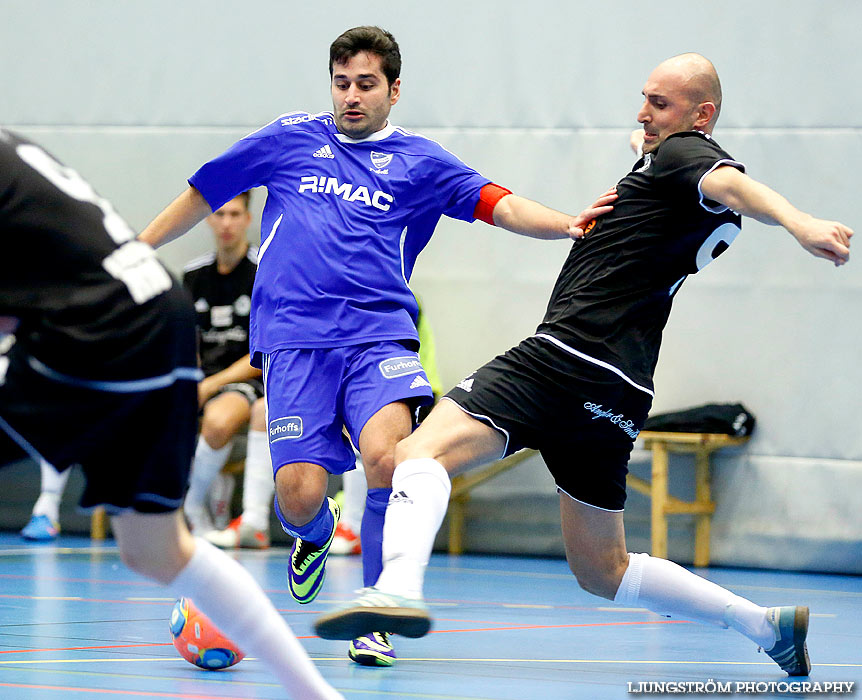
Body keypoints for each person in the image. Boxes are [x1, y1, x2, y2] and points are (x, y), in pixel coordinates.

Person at [314, 53, 853, 679]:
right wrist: (645, 148)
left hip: (562, 357)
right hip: (619, 388)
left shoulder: (689, 159)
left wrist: (799, 221)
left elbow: (732, 182)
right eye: (644, 98)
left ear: (702, 116)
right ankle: (766, 627)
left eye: (659, 104)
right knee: (604, 570)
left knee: (415, 457)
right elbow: (685, 169)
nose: (642, 114)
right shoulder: (670, 172)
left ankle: (397, 590)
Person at [138, 25, 611, 668]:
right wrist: (138, 249)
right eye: (341, 84)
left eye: (365, 85)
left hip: (377, 336)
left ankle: (378, 607)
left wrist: (564, 223)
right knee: (298, 495)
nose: (351, 97)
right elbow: (204, 191)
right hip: (296, 343)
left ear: (393, 89)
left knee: (388, 458)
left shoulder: (421, 161)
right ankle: (314, 532)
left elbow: (497, 203)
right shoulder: (289, 138)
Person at [0, 129, 342, 699]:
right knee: (155, 552)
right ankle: (318, 695)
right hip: (158, 319)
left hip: (98, 330)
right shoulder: (14, 152)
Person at [180, 192, 274, 548]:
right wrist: (193, 381)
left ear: (247, 220)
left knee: (219, 420)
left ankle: (193, 509)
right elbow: (187, 342)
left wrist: (210, 385)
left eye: (235, 214)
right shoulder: (193, 276)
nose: (226, 223)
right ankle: (174, 510)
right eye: (219, 214)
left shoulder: (262, 271)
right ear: (208, 219)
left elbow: (259, 352)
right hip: (204, 380)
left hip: (248, 379)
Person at [331, 297, 444, 559]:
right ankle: (350, 522)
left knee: (369, 438)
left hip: (413, 389)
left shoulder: (398, 299)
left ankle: (353, 526)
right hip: (383, 387)